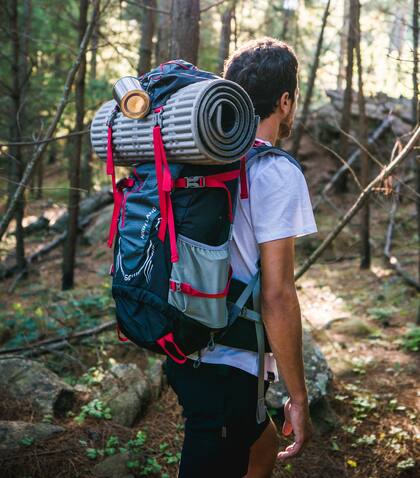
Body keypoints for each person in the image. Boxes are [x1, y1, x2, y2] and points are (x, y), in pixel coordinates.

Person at [165, 37, 318, 478]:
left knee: (262, 447)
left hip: (181, 342)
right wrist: (299, 397)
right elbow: (277, 295)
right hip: (227, 364)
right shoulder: (275, 172)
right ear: (285, 101)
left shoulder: (198, 155)